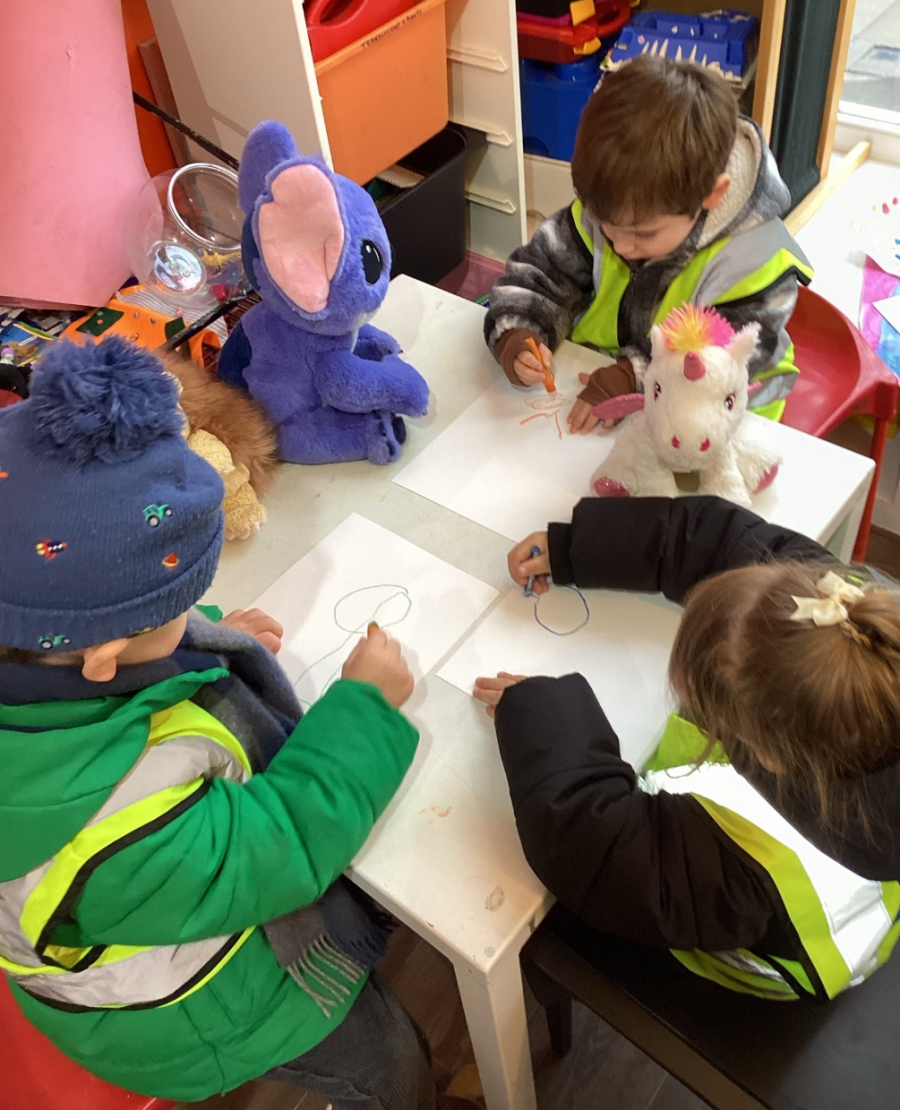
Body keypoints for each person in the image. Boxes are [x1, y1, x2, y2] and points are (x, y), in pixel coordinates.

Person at [0, 337, 468, 1110]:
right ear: (105, 654)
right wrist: (364, 708)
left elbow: (104, 653)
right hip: (193, 1010)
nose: (190, 613)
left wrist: (197, 635)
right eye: (176, 606)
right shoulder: (104, 824)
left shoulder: (39, 644)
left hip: (161, 905)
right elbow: (280, 845)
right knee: (384, 1053)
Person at [475, 496, 900, 1000]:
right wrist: (578, 547)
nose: (677, 681)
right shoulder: (850, 616)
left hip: (785, 948)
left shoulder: (745, 864)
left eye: (700, 691)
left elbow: (588, 842)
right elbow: (722, 539)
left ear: (768, 756)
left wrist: (542, 714)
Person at [485, 55, 813, 428]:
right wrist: (518, 332)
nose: (621, 246)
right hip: (605, 379)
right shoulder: (612, 210)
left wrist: (633, 376)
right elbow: (537, 276)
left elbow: (717, 364)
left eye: (644, 234)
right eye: (607, 224)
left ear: (712, 194)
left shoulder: (753, 262)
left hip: (721, 416)